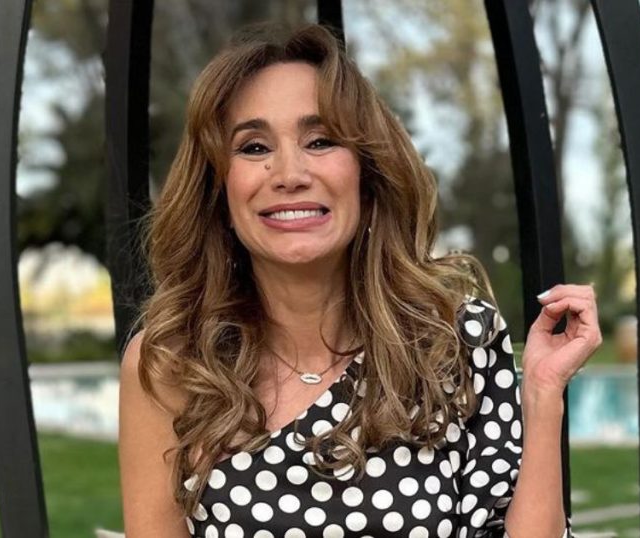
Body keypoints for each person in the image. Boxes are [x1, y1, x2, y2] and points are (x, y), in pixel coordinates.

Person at [118, 22, 601, 538]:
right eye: (254, 148)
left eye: (320, 140)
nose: (290, 174)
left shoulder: (457, 342)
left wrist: (543, 396)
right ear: (219, 191)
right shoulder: (171, 364)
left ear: (368, 178)